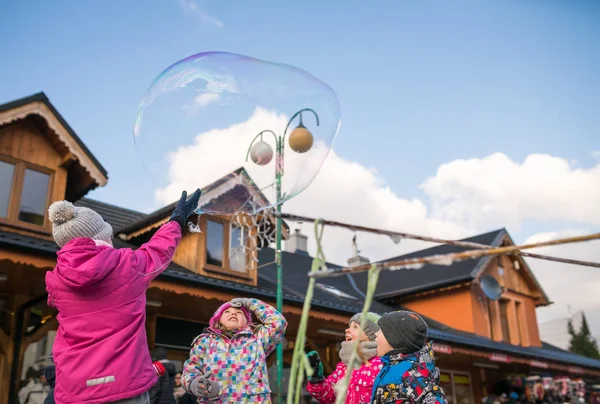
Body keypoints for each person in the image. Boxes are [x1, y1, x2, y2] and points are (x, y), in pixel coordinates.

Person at [45, 189, 201, 404]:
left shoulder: (56, 281)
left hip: (75, 389)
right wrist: (177, 219)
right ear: (103, 235)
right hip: (125, 385)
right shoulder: (128, 265)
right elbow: (159, 250)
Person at [181, 297, 287, 403]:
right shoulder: (204, 342)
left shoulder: (258, 339)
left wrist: (250, 303)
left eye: (239, 312)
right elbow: (190, 370)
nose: (233, 314)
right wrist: (193, 384)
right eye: (227, 311)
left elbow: (278, 322)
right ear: (218, 319)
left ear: (246, 321)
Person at [371, 311, 447, 404]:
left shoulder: (411, 372)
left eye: (381, 330)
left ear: (394, 339)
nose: (376, 334)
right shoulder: (390, 367)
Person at [306, 312, 383, 404]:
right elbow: (328, 396)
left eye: (355, 327)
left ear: (370, 336)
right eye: (349, 326)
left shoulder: (380, 364)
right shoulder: (343, 366)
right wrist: (316, 379)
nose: (347, 330)